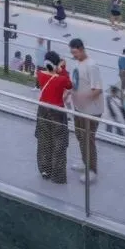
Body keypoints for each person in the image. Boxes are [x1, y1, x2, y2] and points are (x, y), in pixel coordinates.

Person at [69, 37, 103, 180]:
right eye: (72, 53)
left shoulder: (92, 66)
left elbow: (98, 90)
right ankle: (85, 163)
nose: (73, 55)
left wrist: (83, 97)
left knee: (88, 139)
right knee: (80, 136)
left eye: (75, 52)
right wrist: (69, 93)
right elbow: (76, 82)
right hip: (79, 108)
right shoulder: (77, 63)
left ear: (82, 49)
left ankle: (92, 170)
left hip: (91, 111)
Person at [36, 51, 72, 183]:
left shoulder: (39, 74)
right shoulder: (61, 79)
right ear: (56, 65)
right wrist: (63, 70)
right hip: (57, 113)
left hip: (42, 110)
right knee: (59, 143)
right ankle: (57, 175)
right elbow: (69, 85)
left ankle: (45, 170)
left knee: (44, 140)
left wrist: (56, 68)